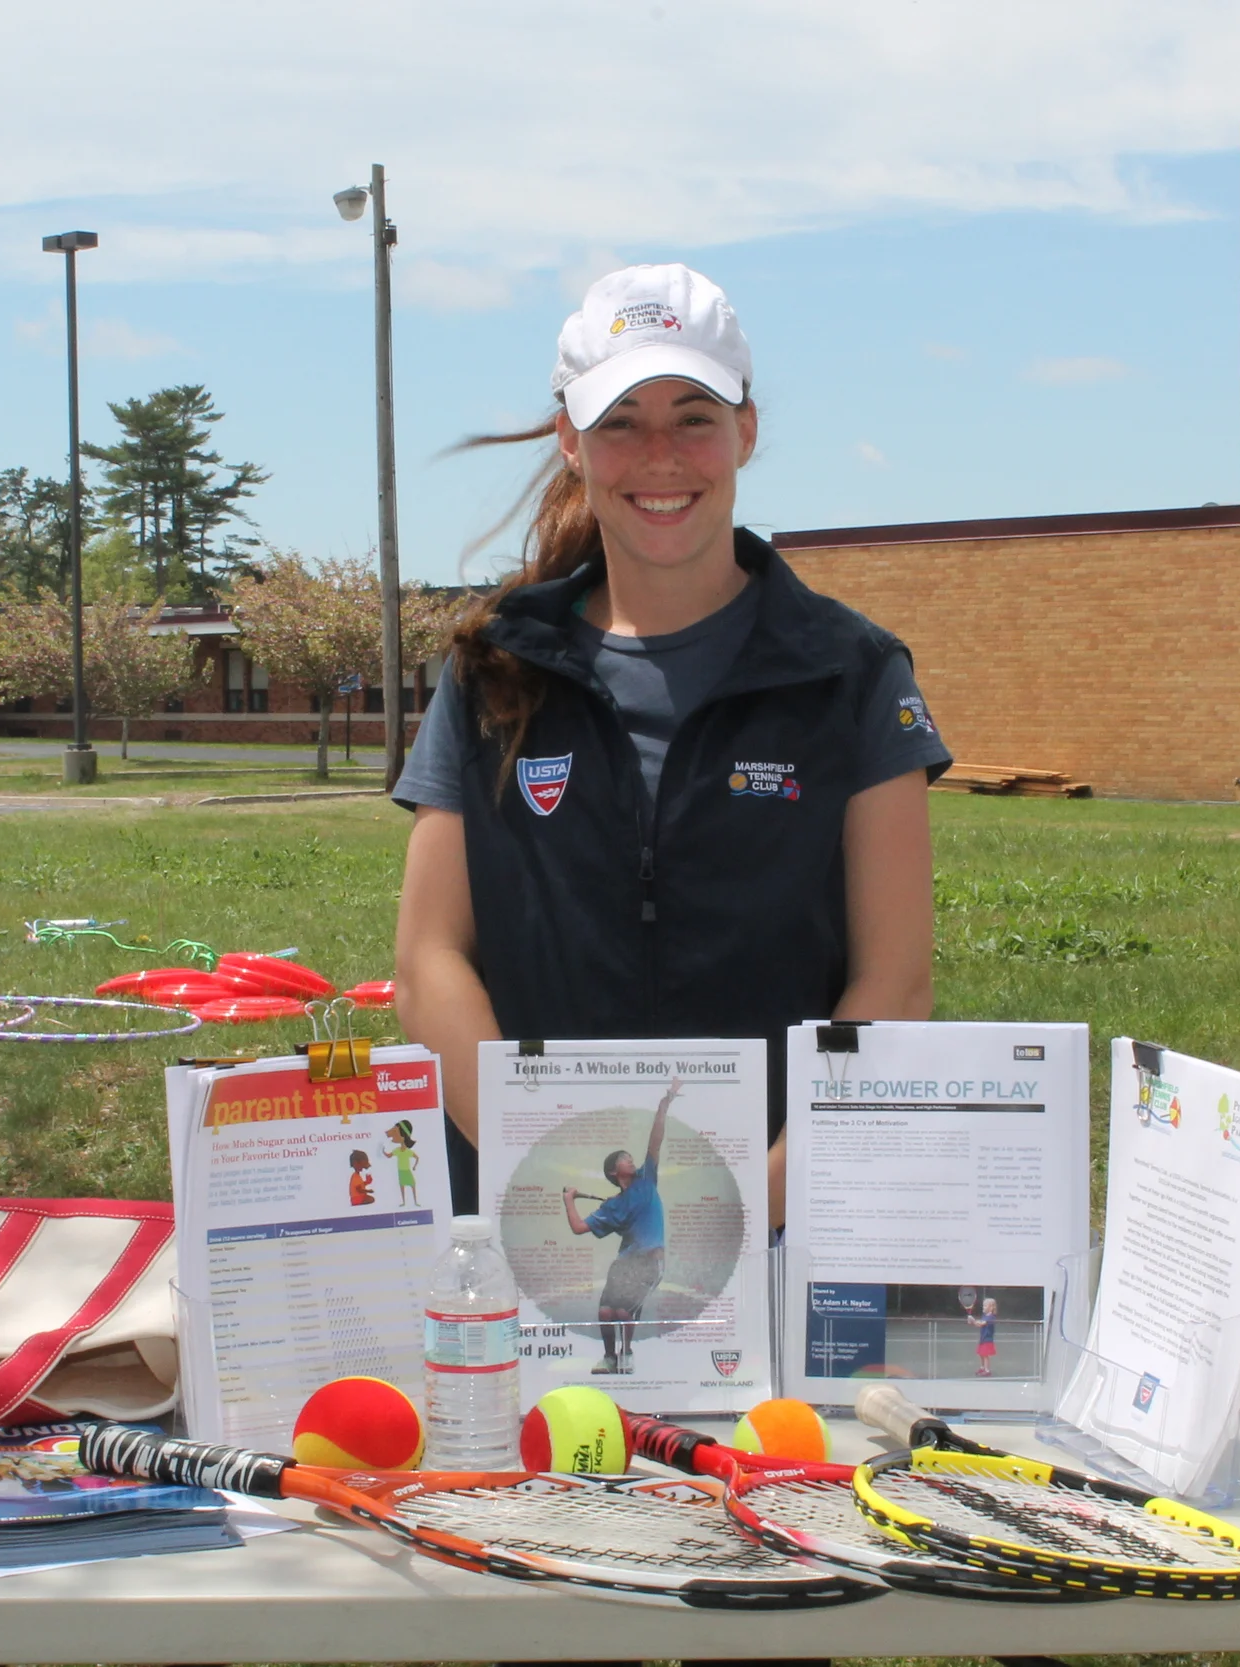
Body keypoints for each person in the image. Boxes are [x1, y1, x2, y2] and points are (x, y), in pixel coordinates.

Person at [394, 263, 953, 1231]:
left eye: (694, 416)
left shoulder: (852, 672)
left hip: (777, 1219)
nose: (660, 455)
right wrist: (539, 1171)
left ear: (745, 431)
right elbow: (429, 959)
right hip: (537, 1222)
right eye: (620, 421)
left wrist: (749, 1204)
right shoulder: (494, 668)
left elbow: (894, 983)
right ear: (571, 441)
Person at [564, 1078, 677, 1374]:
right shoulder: (612, 1206)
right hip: (624, 1263)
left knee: (623, 1312)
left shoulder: (646, 1179)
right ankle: (609, 1357)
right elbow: (579, 1227)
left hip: (650, 1261)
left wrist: (664, 1105)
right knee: (606, 1311)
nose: (631, 1160)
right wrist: (569, 1199)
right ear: (614, 1172)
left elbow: (655, 1141)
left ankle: (626, 1354)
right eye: (625, 1159)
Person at [381, 1119, 421, 1207]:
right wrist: (383, 1151)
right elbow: (389, 1155)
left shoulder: (408, 1151)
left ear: (403, 1136)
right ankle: (404, 1202)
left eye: (395, 1131)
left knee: (412, 1185)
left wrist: (414, 1166)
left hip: (407, 1171)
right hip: (401, 1171)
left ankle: (415, 1202)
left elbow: (417, 1158)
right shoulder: (397, 1150)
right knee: (402, 1187)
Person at [968, 1294, 999, 1377]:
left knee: (985, 1355)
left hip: (987, 1339)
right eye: (983, 1305)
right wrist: (972, 1322)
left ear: (991, 1308)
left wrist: (973, 1320)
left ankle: (987, 1370)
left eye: (985, 1306)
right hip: (983, 1338)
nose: (983, 1307)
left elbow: (981, 1323)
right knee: (981, 1354)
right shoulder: (984, 1316)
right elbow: (978, 1324)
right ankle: (982, 1368)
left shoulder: (991, 1317)